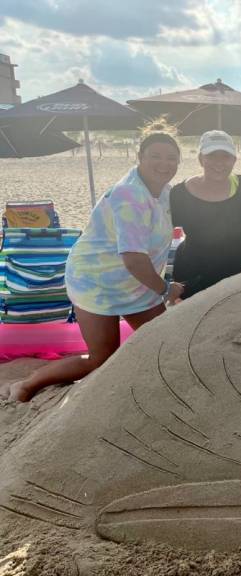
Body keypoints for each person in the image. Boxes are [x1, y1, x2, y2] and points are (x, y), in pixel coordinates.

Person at [0, 127, 184, 403]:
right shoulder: (129, 194)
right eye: (155, 156)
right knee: (100, 357)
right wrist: (166, 289)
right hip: (95, 282)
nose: (164, 164)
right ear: (139, 157)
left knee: (166, 340)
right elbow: (133, 258)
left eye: (171, 158)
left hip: (135, 282)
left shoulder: (165, 192)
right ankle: (27, 384)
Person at [170, 130, 241, 299]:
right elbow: (163, 234)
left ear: (234, 159)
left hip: (239, 278)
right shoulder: (179, 193)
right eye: (211, 155)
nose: (219, 162)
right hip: (192, 280)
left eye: (226, 156)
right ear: (200, 159)